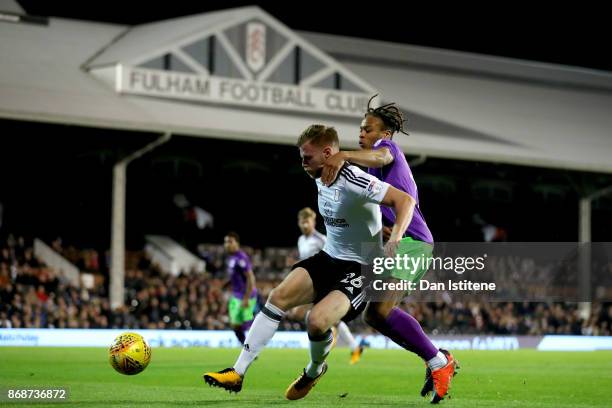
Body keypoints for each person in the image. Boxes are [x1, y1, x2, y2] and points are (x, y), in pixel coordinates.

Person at [204, 124, 415, 400]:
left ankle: (315, 370)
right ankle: (237, 372)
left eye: (308, 157)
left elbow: (405, 200)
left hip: (361, 268)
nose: (302, 163)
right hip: (329, 258)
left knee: (315, 321)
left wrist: (396, 235)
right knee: (277, 297)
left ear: (328, 153)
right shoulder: (319, 173)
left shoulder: (352, 178)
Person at [321, 95, 458, 403]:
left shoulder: (388, 150)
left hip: (413, 241)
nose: (361, 134)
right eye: (360, 128)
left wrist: (342, 155)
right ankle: (437, 358)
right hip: (401, 241)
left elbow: (381, 159)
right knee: (374, 316)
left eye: (368, 129)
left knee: (380, 310)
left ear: (384, 134)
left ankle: (438, 361)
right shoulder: (370, 174)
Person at [291, 206, 365, 364]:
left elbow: (335, 258)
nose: (305, 225)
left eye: (307, 221)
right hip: (311, 281)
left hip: (325, 281)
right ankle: (353, 346)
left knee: (302, 313)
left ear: (313, 222)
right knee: (323, 317)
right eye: (302, 222)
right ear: (298, 222)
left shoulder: (321, 239)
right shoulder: (301, 240)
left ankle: (327, 337)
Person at [222, 232, 257, 345]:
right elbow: (235, 276)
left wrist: (246, 297)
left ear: (237, 243)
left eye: (230, 241)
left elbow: (250, 278)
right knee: (235, 325)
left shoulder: (241, 258)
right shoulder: (231, 258)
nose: (227, 244)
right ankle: (246, 347)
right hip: (236, 295)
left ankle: (252, 348)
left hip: (246, 295)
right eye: (226, 242)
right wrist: (226, 284)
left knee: (247, 324)